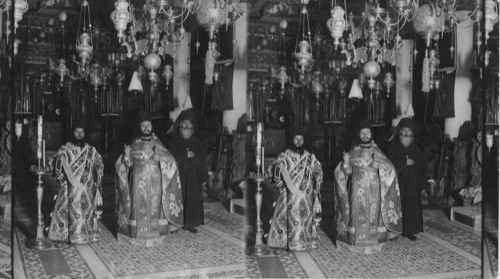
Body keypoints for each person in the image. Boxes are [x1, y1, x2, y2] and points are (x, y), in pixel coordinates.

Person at [334, 119, 402, 253]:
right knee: (356, 213)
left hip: (374, 190)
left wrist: (380, 167)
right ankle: (355, 240)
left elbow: (391, 169)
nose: (365, 135)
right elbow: (345, 172)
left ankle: (373, 240)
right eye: (362, 133)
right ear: (358, 135)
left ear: (371, 134)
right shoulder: (353, 151)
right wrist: (346, 163)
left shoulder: (377, 151)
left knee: (373, 214)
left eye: (367, 132)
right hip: (356, 191)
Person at [115, 113, 183, 246]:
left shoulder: (158, 144)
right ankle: (136, 231)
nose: (146, 128)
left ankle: (155, 231)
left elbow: (172, 161)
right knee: (137, 205)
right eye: (143, 125)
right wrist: (127, 155)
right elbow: (126, 165)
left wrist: (161, 159)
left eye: (148, 125)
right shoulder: (134, 144)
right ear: (139, 128)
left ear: (152, 126)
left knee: (155, 206)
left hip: (155, 182)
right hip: (137, 183)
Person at [266, 126, 323, 251]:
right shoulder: (285, 155)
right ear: (292, 140)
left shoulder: (310, 157)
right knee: (291, 218)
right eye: (296, 139)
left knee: (305, 220)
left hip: (306, 197)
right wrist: (278, 166)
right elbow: (275, 167)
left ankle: (306, 241)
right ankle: (289, 242)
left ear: (304, 140)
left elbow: (318, 168)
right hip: (290, 195)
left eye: (300, 139)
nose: (298, 142)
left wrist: (317, 174)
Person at [48, 119, 103, 244]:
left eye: (82, 132)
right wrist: (60, 160)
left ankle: (88, 234)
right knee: (73, 211)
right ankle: (72, 235)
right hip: (71, 188)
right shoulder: (66, 148)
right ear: (72, 133)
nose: (79, 134)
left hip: (87, 189)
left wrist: (98, 166)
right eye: (77, 131)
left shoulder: (91, 149)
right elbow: (56, 160)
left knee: (86, 213)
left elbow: (98, 160)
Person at [168, 110, 208, 233]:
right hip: (178, 177)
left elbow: (202, 160)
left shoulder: (197, 143)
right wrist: (186, 155)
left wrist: (204, 178)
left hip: (193, 179)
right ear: (179, 126)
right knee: (177, 200)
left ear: (192, 127)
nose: (186, 127)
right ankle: (175, 223)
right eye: (184, 125)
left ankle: (190, 223)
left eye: (189, 125)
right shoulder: (174, 141)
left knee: (192, 200)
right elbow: (170, 157)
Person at [387, 118, 424, 241]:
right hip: (398, 185)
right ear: (399, 133)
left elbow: (422, 169)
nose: (406, 135)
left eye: (409, 132)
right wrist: (404, 163)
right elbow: (389, 166)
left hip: (413, 186)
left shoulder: (417, 150)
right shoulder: (393, 148)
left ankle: (410, 230)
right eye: (403, 132)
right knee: (397, 207)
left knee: (411, 207)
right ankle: (394, 231)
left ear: (412, 135)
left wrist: (422, 186)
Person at [0, 119, 11, 196]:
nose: (8, 127)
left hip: (8, 159)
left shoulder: (9, 136)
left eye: (9, 125)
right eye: (7, 125)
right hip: (6, 159)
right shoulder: (6, 136)